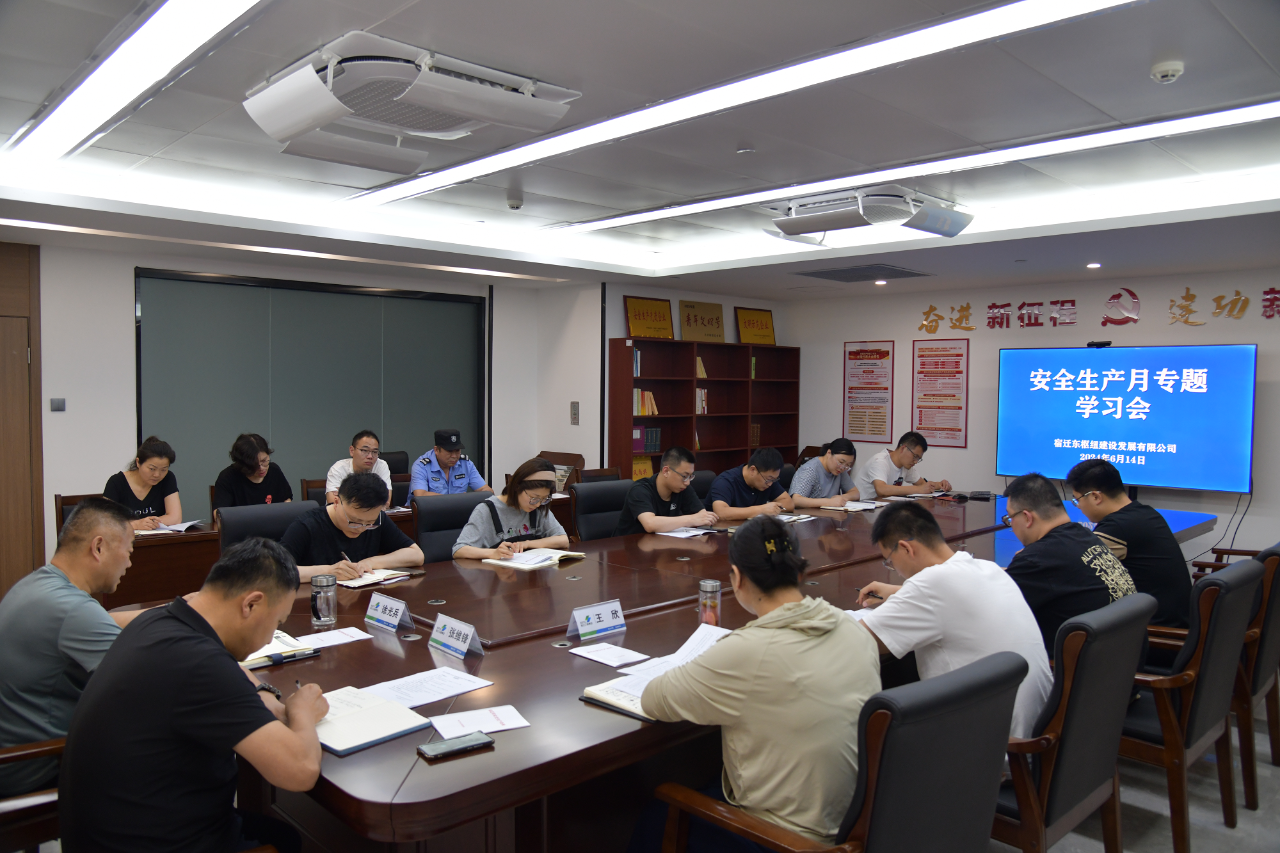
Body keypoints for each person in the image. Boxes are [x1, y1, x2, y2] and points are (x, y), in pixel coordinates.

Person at [58, 538, 328, 853]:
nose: (270, 638)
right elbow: (301, 771)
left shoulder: (158, 621)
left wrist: (260, 690)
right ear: (251, 604)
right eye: (277, 622)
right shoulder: (202, 665)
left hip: (102, 832)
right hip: (151, 842)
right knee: (293, 839)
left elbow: (229, 669)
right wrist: (301, 709)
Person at [629, 516, 881, 851]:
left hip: (785, 840)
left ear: (737, 577)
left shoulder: (749, 650)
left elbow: (654, 699)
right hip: (856, 826)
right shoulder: (853, 629)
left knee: (656, 815)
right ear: (800, 572)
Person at [857, 502, 1052, 738]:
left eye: (889, 561)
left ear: (906, 548)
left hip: (990, 745)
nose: (894, 569)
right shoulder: (988, 568)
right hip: (1037, 734)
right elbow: (949, 599)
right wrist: (900, 592)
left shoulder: (929, 586)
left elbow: (854, 640)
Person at [0, 499, 148, 797]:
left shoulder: (37, 585)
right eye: (129, 551)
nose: (130, 564)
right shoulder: (73, 610)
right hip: (37, 768)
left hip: (13, 753)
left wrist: (173, 611)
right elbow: (148, 679)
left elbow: (101, 621)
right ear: (98, 547)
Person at [1002, 473, 1137, 654]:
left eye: (1010, 518)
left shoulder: (1036, 559)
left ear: (1027, 517)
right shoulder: (1085, 536)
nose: (1011, 525)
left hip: (1070, 667)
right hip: (1120, 661)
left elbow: (993, 614)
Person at [1067, 459, 1191, 628]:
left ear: (1096, 497)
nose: (1079, 506)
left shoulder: (1117, 528)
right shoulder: (1146, 513)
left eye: (1077, 500)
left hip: (1157, 632)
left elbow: (1074, 568)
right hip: (1175, 621)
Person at [281, 472, 423, 582]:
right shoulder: (307, 525)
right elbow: (276, 571)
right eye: (354, 521)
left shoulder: (378, 519)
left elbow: (416, 555)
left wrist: (370, 562)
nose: (361, 528)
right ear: (336, 502)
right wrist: (328, 572)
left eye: (369, 523)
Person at [453, 458, 571, 560]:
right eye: (534, 498)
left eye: (544, 499)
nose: (537, 504)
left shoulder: (539, 508)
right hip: (496, 574)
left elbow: (563, 540)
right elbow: (459, 550)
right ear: (517, 487)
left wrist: (527, 544)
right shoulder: (487, 510)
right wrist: (493, 553)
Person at [613, 446, 718, 536]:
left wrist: (704, 519)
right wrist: (691, 519)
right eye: (684, 476)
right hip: (628, 548)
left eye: (690, 476)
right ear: (666, 471)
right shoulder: (640, 490)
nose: (687, 482)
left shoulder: (682, 488)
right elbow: (650, 524)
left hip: (662, 545)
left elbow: (702, 516)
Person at [102, 436, 181, 530]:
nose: (157, 475)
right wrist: (136, 525)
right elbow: (105, 522)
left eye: (163, 469)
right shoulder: (116, 482)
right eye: (152, 469)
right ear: (138, 462)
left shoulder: (167, 478)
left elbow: (175, 518)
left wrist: (149, 523)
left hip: (155, 536)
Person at [851, 431, 950, 500]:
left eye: (918, 458)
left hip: (882, 508)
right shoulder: (880, 461)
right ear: (903, 448)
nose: (915, 462)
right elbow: (881, 490)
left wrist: (940, 485)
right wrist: (918, 489)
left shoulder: (906, 465)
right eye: (915, 456)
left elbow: (922, 484)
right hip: (862, 511)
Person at [706, 447, 795, 521]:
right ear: (753, 470)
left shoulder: (768, 480)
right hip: (721, 533)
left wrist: (772, 509)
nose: (770, 484)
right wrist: (761, 510)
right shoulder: (725, 481)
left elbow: (789, 503)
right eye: (769, 479)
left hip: (752, 529)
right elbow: (721, 513)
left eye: (774, 480)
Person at [212, 433, 293, 510]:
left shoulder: (274, 471)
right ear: (243, 464)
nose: (261, 468)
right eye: (255, 465)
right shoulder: (228, 478)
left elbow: (287, 499)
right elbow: (219, 513)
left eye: (264, 461)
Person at [410, 429, 491, 498]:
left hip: (458, 510)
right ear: (436, 450)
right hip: (429, 511)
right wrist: (455, 500)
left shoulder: (465, 463)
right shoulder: (421, 466)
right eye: (449, 451)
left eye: (457, 451)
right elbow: (421, 495)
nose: (454, 456)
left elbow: (487, 491)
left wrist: (468, 498)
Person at [325, 429, 392, 507]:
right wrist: (372, 499)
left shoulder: (381, 465)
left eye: (374, 452)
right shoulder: (338, 468)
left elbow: (385, 502)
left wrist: (348, 498)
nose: (370, 456)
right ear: (352, 451)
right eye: (364, 450)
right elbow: (334, 503)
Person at [788, 438, 860, 508]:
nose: (843, 468)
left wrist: (842, 498)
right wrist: (829, 502)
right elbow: (796, 500)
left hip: (828, 514)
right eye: (841, 462)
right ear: (829, 453)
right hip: (809, 514)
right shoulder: (810, 469)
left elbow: (855, 493)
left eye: (847, 465)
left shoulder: (840, 470)